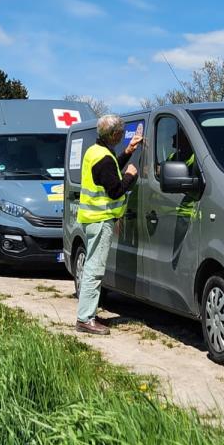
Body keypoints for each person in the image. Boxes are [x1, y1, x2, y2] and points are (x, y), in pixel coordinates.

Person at [76, 114, 141, 335]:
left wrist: (127, 153)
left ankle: (87, 314)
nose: (123, 136)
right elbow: (114, 189)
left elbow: (108, 174)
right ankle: (85, 319)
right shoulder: (103, 158)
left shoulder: (95, 152)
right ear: (113, 135)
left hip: (91, 219)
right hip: (100, 220)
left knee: (91, 268)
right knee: (94, 270)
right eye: (121, 134)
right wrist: (131, 176)